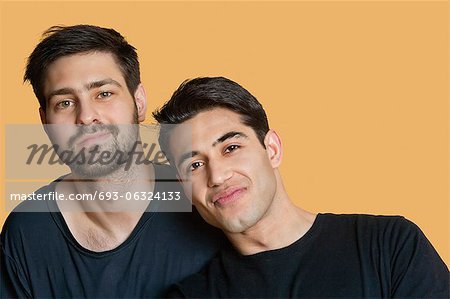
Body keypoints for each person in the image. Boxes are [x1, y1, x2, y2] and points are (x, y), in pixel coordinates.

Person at [153, 76, 449, 298]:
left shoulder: (388, 245)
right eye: (194, 165)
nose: (216, 176)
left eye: (230, 147)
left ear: (272, 149)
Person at [0, 25, 225, 298]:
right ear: (46, 122)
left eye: (103, 94)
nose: (86, 117)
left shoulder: (201, 198)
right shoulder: (27, 231)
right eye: (65, 103)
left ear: (138, 102)